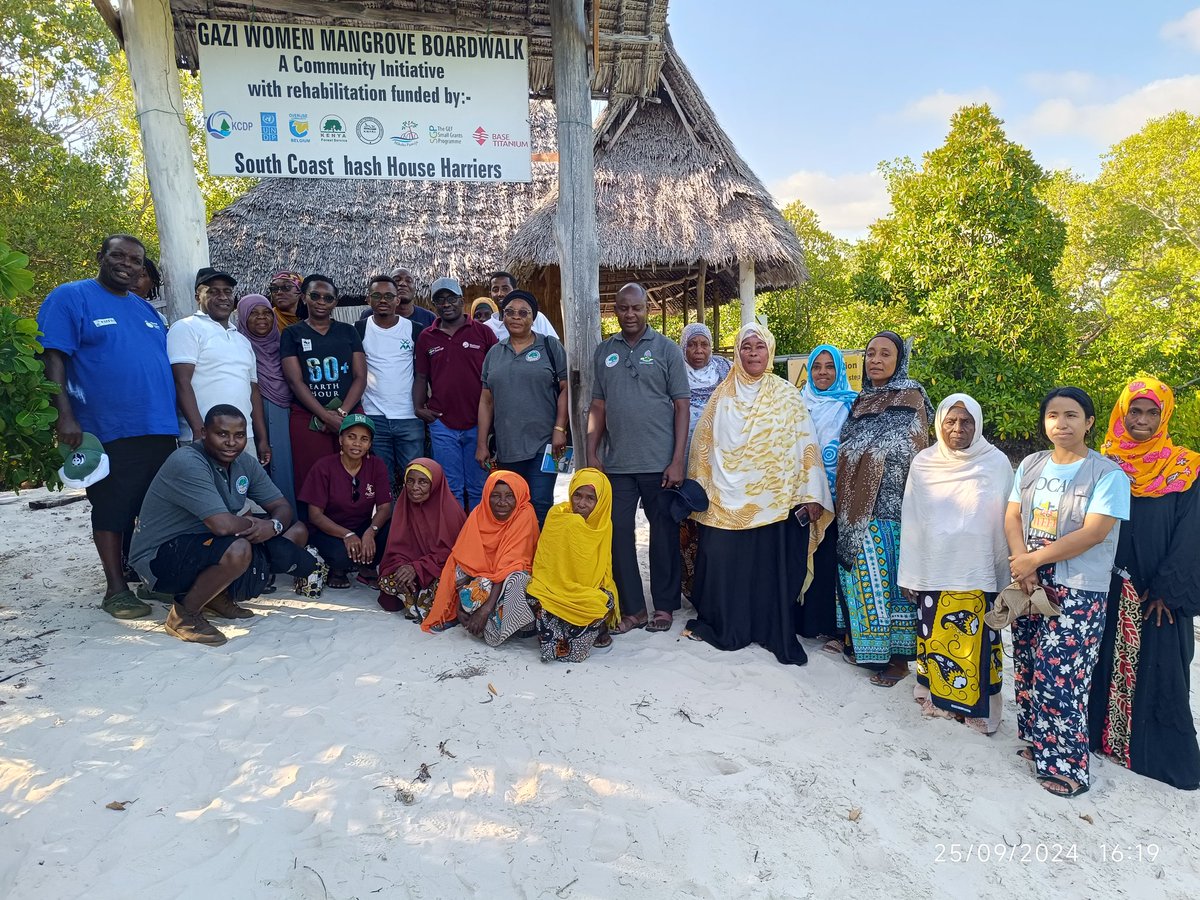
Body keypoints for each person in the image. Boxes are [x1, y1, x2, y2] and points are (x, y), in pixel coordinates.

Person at [36, 234, 178, 619]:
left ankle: (145, 574)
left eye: (135, 260)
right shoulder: (70, 297)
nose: (127, 264)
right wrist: (65, 415)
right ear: (99, 256)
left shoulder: (145, 310)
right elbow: (53, 358)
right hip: (109, 426)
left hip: (159, 427)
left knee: (151, 508)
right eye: (118, 255)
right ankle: (115, 589)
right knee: (113, 507)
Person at [1005, 386, 1130, 798]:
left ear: (1089, 422)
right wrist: (1023, 562)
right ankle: (1040, 745)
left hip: (1077, 587)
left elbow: (1094, 533)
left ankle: (1067, 766)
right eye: (1053, 415)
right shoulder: (1031, 464)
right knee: (1027, 664)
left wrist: (1034, 561)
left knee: (1062, 674)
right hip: (1030, 580)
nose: (1062, 423)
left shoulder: (1108, 474)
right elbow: (1012, 516)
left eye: (1072, 415)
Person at [683, 323, 831, 665]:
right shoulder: (722, 395)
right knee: (727, 567)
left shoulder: (786, 395)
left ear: (770, 352)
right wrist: (701, 489)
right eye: (746, 347)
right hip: (724, 503)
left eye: (759, 347)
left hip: (774, 504)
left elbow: (804, 446)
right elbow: (703, 446)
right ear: (737, 352)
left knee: (766, 571)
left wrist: (810, 494)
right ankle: (729, 625)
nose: (752, 353)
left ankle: (767, 628)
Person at [1089, 378, 1200, 790]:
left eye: (1152, 412)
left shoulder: (1185, 468)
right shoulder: (1104, 463)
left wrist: (1169, 588)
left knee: (1161, 669)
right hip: (1108, 585)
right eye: (1134, 411)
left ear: (1165, 415)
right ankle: (1101, 740)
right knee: (1099, 663)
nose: (1143, 421)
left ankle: (1154, 757)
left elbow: (1193, 533)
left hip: (1158, 594)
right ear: (1121, 413)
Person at [128, 405, 318, 645]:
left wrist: (274, 526)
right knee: (237, 549)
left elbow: (282, 507)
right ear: (204, 432)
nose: (231, 442)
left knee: (295, 530)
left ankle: (216, 595)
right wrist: (255, 523)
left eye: (239, 435)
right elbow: (220, 525)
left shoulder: (244, 463)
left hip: (204, 543)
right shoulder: (187, 461)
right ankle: (184, 616)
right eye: (222, 434)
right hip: (159, 558)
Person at [898, 394, 1014, 734]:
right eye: (951, 421)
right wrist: (910, 573)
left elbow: (1008, 521)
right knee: (934, 638)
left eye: (966, 422)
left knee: (979, 642)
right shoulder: (924, 463)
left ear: (978, 425)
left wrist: (1006, 574)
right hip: (934, 568)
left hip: (979, 571)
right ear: (939, 424)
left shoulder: (996, 463)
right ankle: (937, 700)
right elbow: (913, 519)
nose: (958, 428)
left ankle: (980, 713)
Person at [587, 283, 690, 634]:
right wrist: (591, 452)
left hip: (660, 463)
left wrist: (677, 459)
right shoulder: (604, 352)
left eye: (637, 308)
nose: (630, 314)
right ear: (614, 310)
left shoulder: (667, 350)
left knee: (663, 534)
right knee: (617, 534)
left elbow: (681, 405)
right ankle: (633, 610)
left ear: (648, 309)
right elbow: (597, 406)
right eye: (623, 308)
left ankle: (663, 606)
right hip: (617, 464)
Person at [836, 331, 933, 686]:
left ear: (899, 359)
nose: (875, 360)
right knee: (861, 582)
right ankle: (866, 649)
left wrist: (870, 454)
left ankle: (897, 660)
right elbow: (848, 442)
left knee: (890, 586)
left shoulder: (911, 395)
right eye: (870, 353)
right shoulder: (862, 399)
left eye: (885, 354)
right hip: (854, 508)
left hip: (892, 508)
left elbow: (912, 445)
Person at [476, 289, 568, 526]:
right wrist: (482, 443)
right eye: (510, 312)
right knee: (511, 506)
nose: (516, 317)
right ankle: (516, 560)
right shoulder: (494, 353)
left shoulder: (550, 347)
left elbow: (567, 388)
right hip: (507, 446)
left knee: (540, 503)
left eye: (523, 313)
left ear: (533, 318)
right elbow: (486, 400)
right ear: (503, 317)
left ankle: (540, 561)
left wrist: (560, 428)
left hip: (544, 444)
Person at [421, 470, 541, 645]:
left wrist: (485, 609)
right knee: (457, 563)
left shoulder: (524, 515)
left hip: (506, 582)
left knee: (517, 578)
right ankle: (465, 615)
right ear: (486, 496)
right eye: (495, 496)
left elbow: (510, 565)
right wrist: (460, 604)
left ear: (519, 498)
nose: (502, 502)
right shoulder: (479, 514)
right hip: (485, 578)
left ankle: (511, 625)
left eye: (510, 496)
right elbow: (463, 557)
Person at [280, 274, 367, 501]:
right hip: (307, 417)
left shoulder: (349, 332)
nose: (321, 301)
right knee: (311, 474)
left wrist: (341, 414)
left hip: (349, 413)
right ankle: (314, 530)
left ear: (335, 302)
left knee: (355, 470)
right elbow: (295, 381)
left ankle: (353, 524)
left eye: (328, 298)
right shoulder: (292, 334)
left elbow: (360, 377)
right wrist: (325, 416)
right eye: (315, 296)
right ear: (304, 298)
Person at [413, 276, 498, 509]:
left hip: (478, 424)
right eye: (440, 300)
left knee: (478, 486)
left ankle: (479, 540)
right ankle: (457, 542)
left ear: (462, 301)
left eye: (451, 298)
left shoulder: (483, 333)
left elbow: (496, 376)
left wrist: (493, 419)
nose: (446, 304)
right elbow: (421, 376)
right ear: (434, 305)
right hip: (443, 424)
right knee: (451, 488)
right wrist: (419, 408)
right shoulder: (426, 337)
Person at [168, 268, 269, 463]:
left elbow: (253, 392)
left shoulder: (242, 340)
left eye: (228, 291)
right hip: (205, 437)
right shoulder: (186, 328)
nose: (223, 297)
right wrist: (200, 434)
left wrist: (261, 438)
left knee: (243, 493)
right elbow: (181, 382)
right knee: (207, 493)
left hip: (242, 436)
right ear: (198, 296)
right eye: (213, 291)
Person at [526, 468, 619, 662]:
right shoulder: (557, 515)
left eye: (590, 498)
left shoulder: (603, 524)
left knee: (602, 600)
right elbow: (544, 563)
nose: (581, 503)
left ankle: (579, 630)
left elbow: (604, 567)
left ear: (601, 502)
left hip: (584, 592)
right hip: (551, 590)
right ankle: (566, 630)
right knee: (536, 598)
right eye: (577, 495)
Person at [798, 344, 858, 644]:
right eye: (817, 367)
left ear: (839, 370)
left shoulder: (851, 405)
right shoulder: (798, 403)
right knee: (810, 555)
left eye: (829, 366)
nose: (823, 372)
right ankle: (808, 624)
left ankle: (836, 630)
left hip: (840, 498)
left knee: (834, 561)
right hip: (805, 496)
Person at [298, 414, 394, 589]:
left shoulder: (376, 465)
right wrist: (347, 535)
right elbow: (315, 515)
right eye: (351, 437)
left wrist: (370, 532)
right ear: (341, 439)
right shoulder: (324, 466)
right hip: (329, 530)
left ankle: (367, 567)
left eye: (364, 439)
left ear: (370, 444)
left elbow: (385, 508)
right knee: (340, 555)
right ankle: (338, 569)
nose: (357, 443)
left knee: (391, 529)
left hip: (362, 527)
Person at [677, 321, 733, 602]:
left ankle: (713, 586)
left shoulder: (726, 370)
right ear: (683, 346)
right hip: (683, 459)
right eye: (692, 344)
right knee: (687, 524)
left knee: (713, 521)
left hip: (718, 462)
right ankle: (690, 587)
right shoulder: (673, 372)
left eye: (704, 344)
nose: (699, 350)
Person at [376, 459, 468, 620]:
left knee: (445, 587)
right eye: (410, 481)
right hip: (412, 568)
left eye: (423, 482)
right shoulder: (404, 505)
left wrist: (417, 568)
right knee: (389, 578)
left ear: (435, 483)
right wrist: (402, 567)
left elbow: (452, 555)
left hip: (438, 570)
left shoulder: (450, 511)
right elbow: (397, 547)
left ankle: (417, 600)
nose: (414, 488)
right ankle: (415, 597)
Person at [355, 274, 423, 485]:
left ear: (397, 300)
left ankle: (414, 519)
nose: (382, 300)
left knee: (415, 478)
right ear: (368, 299)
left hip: (409, 417)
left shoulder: (415, 329)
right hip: (374, 417)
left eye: (388, 296)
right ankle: (385, 519)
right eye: (377, 295)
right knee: (381, 482)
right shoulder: (359, 329)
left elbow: (423, 373)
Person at [236, 294, 296, 513]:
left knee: (289, 469)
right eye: (253, 313)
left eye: (266, 313)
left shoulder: (284, 343)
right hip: (253, 416)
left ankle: (290, 522)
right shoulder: (238, 347)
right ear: (242, 316)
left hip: (287, 414)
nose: (261, 319)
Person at [482, 271, 559, 340]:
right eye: (495, 290)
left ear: (515, 291)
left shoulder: (536, 318)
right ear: (490, 295)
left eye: (505, 289)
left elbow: (555, 348)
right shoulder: (486, 328)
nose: (500, 294)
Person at [391, 266, 436, 333]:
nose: (403, 284)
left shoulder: (430, 318)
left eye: (408, 281)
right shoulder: (374, 316)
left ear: (415, 288)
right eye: (397, 280)